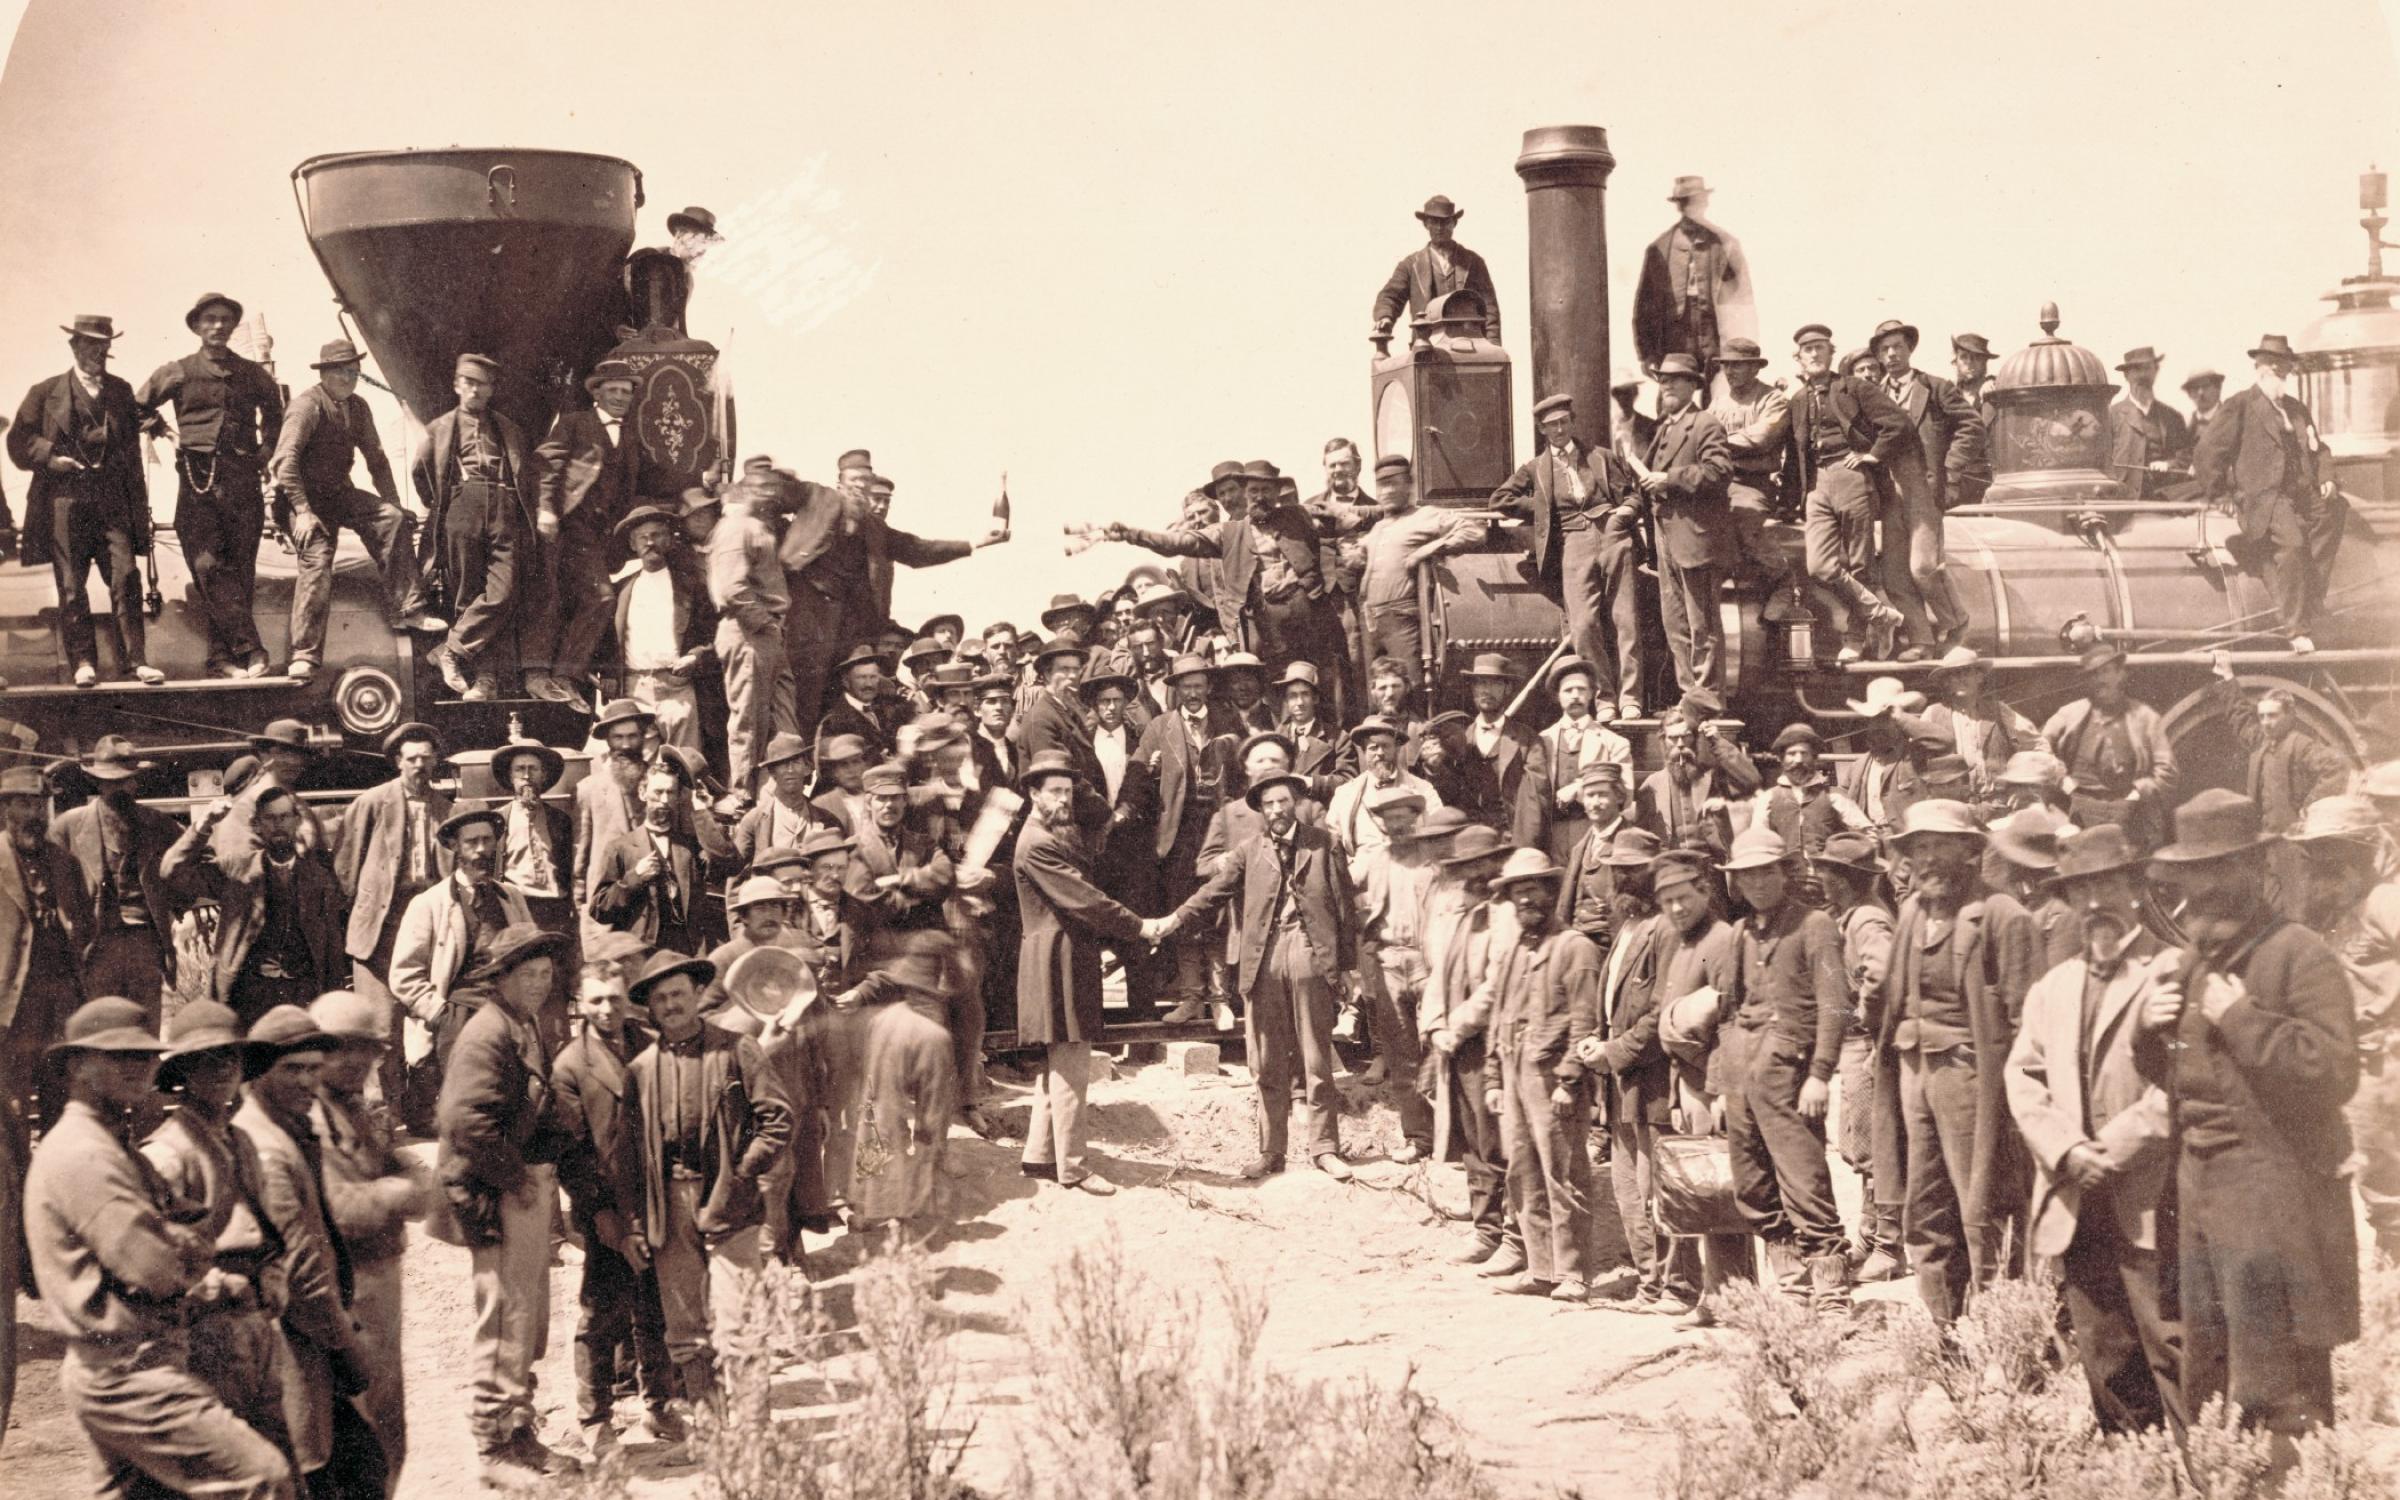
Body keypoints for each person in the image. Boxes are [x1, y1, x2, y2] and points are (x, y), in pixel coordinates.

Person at [2137, 791, 2358, 1471]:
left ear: (2252, 868)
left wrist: (2241, 1019)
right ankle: (2220, 1478)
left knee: (2277, 1366)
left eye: (2218, 869)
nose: (2202, 887)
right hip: (2200, 1184)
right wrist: (2149, 1032)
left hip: (2274, 1190)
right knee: (2209, 1355)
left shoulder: (2300, 954)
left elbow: (2335, 1069)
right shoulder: (2191, 961)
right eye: (2191, 873)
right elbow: (2175, 1079)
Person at [27, 998, 296, 1500]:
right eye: (119, 1056)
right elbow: (157, 1268)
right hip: (128, 1371)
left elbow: (185, 1228)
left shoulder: (113, 1144)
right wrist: (190, 1253)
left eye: (144, 1055)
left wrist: (181, 1241)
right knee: (264, 1476)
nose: (138, 1067)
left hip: (134, 1362)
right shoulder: (87, 1153)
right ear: (76, 1066)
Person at [2003, 824, 2186, 1437]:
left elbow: (2186, 1081)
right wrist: (2067, 1149)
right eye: (2079, 890)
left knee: (2171, 1343)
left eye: (2105, 884)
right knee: (2105, 1351)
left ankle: (2198, 1470)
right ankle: (2130, 1468)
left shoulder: (2170, 970)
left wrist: (2116, 1147)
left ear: (2135, 887)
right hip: (2076, 1193)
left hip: (2152, 1193)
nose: (2092, 903)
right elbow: (2024, 1078)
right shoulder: (2053, 988)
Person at [1872, 799, 2039, 1323]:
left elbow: (2026, 1017)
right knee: (1924, 1208)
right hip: (1912, 1073)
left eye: (1939, 845)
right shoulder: (1911, 913)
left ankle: (2003, 1334)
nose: (1926, 858)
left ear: (1970, 850)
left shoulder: (2002, 915)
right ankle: (1944, 1330)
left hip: (1973, 1079)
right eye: (1918, 846)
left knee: (1983, 1207)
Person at [432, 924, 582, 1483]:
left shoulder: (521, 1023)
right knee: (502, 1324)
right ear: (503, 978)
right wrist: (516, 1178)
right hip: (490, 1195)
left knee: (525, 1321)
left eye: (547, 974)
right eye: (530, 974)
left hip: (513, 1190)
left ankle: (520, 1434)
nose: (542, 984)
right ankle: (494, 1451)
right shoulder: (487, 1032)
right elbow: (464, 1122)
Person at [623, 949, 793, 1411]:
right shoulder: (640, 1070)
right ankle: (711, 1427)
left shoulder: (737, 1048)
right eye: (660, 999)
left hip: (729, 1198)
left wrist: (743, 1171)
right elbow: (631, 1155)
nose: (671, 1005)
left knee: (741, 1320)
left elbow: (777, 1118)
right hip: (669, 1202)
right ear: (651, 1009)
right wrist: (638, 1219)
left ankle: (756, 1430)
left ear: (698, 994)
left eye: (679, 993)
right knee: (685, 1327)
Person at [1167, 771, 1359, 1179]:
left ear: (1296, 804)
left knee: (1316, 1058)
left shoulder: (1323, 844)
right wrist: (1175, 919)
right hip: (1263, 958)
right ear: (1261, 810)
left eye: (1283, 802)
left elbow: (1344, 908)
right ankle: (1271, 1152)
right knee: (1266, 1060)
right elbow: (1212, 892)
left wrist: (1347, 967)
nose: (1276, 811)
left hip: (1310, 953)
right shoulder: (1249, 850)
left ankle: (1325, 1148)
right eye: (1269, 804)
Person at [140, 1002, 296, 1465]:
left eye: (232, 1058)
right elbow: (157, 1257)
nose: (224, 1070)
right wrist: (214, 1285)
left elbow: (267, 1223)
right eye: (209, 1059)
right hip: (205, 1326)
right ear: (183, 1071)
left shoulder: (241, 1141)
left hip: (257, 1318)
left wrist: (273, 1273)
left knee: (278, 1455)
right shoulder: (168, 1152)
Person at [235, 1005, 372, 1495]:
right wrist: (349, 1345)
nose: (307, 1082)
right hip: (294, 1350)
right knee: (315, 1473)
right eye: (292, 1069)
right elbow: (304, 1275)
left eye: (314, 1069)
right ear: (258, 1074)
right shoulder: (269, 1149)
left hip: (311, 1345)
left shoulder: (288, 1129)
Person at [1717, 827, 1853, 1312]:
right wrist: (1724, 1082)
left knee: (1805, 1180)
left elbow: (1835, 1005)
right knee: (1752, 1184)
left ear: (1784, 873)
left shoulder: (1814, 926)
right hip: (1743, 1074)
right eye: (1745, 875)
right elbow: (1730, 1009)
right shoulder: (1739, 933)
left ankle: (1832, 1290)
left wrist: (1820, 1073)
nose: (1755, 883)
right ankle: (1792, 1284)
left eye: (1764, 872)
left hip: (1791, 1075)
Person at [308, 989, 430, 1493]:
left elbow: (418, 1185)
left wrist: (403, 1188)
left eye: (369, 1048)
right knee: (361, 1429)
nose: (360, 1060)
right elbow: (346, 1210)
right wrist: (401, 1190)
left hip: (380, 1281)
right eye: (344, 1047)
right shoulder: (312, 1117)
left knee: (387, 1425)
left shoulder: (355, 1107)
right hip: (349, 1288)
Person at [1012, 752, 1151, 1192]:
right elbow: (1086, 900)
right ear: (1034, 794)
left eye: (1069, 792)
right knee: (1072, 1061)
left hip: (1062, 955)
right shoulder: (1038, 843)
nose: (1064, 800)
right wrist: (1139, 926)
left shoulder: (1047, 835)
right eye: (1054, 791)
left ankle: (1038, 1155)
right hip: (1058, 959)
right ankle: (1073, 1166)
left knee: (1059, 1061)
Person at [271, 338, 442, 685]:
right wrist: (302, 512)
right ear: (325, 373)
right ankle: (304, 654)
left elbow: (376, 460)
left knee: (391, 520)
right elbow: (283, 463)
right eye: (341, 371)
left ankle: (408, 610)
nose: (349, 377)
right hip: (300, 498)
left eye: (354, 370)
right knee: (317, 559)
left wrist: (393, 502)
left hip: (337, 493)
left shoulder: (358, 408)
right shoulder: (307, 407)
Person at [1472, 848, 1601, 1302]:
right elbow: (1499, 1018)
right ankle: (1541, 1267)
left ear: (1549, 892)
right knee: (1522, 1175)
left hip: (1552, 1081)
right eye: (1517, 894)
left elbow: (1584, 1022)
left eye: (1532, 891)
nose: (1525, 900)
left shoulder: (1575, 948)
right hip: (1513, 1076)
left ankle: (1573, 1273)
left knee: (1563, 1174)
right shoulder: (1513, 953)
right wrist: (1492, 1078)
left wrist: (1570, 1080)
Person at [9, 313, 164, 685]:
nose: (98, 350)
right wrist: (49, 457)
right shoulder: (44, 393)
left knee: (126, 575)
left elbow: (130, 448)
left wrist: (138, 508)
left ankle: (136, 662)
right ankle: (83, 663)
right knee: (71, 582)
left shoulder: (121, 391)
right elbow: (18, 441)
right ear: (74, 345)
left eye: (104, 344)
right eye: (90, 343)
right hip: (65, 501)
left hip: (113, 501)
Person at [138, 292, 284, 679]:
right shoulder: (179, 370)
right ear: (197, 326)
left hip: (243, 485)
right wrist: (165, 431)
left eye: (225, 320)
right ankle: (251, 649)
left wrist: (266, 450)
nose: (218, 326)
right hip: (196, 483)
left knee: (240, 572)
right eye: (210, 319)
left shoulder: (253, 374)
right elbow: (136, 406)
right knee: (207, 565)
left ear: (233, 326)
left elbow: (275, 414)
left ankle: (220, 660)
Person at [1101, 463, 1339, 685]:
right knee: (1278, 682)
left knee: (1327, 679)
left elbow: (1349, 517)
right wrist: (1134, 535)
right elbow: (1178, 542)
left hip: (1312, 617)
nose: (1259, 497)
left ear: (1277, 492)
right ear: (1245, 494)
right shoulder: (1229, 533)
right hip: (1270, 626)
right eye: (1253, 491)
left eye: (1266, 490)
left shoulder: (1299, 516)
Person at [1645, 849, 1755, 1328]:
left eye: (1682, 898)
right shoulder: (1681, 942)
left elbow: (1730, 1023)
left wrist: (1724, 1090)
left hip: (1714, 1083)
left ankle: (1736, 1298)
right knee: (1706, 1196)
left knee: (1724, 1193)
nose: (1674, 908)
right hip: (1687, 1083)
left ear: (1705, 892)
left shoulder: (1723, 940)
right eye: (1666, 901)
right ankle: (1717, 1296)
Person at [2290, 795, 2400, 1265]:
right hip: (2355, 1056)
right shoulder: (2335, 908)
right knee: (2372, 1167)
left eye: (2332, 855)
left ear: (2360, 855)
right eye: (2315, 856)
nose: (2320, 868)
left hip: (2384, 1058)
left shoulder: (2384, 900)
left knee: (2385, 1167)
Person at [1489, 395, 1649, 716]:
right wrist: (1542, 508)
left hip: (1614, 535)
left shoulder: (1600, 456)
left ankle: (1631, 698)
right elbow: (1500, 499)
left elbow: (1632, 495)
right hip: (1573, 542)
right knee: (1584, 624)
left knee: (1625, 620)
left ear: (1572, 422)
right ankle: (1604, 699)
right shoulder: (1536, 469)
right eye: (1552, 425)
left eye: (1564, 422)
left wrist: (1624, 514)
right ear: (1542, 430)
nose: (1560, 429)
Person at [2191, 334, 2349, 653]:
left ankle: (2310, 596)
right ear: (2259, 369)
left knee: (2337, 508)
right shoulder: (2240, 405)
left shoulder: (2296, 408)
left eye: (2284, 369)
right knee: (2292, 545)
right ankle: (2296, 627)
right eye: (2273, 369)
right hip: (2264, 497)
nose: (2280, 375)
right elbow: (2207, 451)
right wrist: (2219, 492)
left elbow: (2321, 449)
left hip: (2301, 495)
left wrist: (2327, 476)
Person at [162, 785, 345, 1026]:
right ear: (257, 825)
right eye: (269, 818)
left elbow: (331, 947)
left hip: (303, 994)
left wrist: (332, 1005)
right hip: (249, 996)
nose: (278, 824)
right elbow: (171, 872)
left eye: (284, 817)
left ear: (296, 821)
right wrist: (203, 826)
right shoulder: (237, 870)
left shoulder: (318, 877)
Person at [412, 353, 535, 701]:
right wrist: (446, 505)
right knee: (466, 594)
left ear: (492, 390)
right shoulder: (439, 428)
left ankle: (449, 650)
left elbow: (527, 477)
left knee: (503, 591)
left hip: (504, 506)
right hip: (462, 505)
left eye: (484, 385)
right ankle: (485, 679)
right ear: (456, 385)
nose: (476, 390)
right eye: (469, 383)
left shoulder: (509, 430)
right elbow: (421, 473)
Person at [520, 360, 644, 702]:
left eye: (626, 392)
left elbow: (645, 478)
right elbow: (547, 464)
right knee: (596, 597)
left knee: (589, 599)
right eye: (613, 390)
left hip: (603, 536)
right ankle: (560, 675)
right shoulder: (576, 424)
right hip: (569, 526)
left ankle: (563, 675)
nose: (620, 397)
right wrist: (546, 508)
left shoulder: (629, 434)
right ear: (597, 393)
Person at [1786, 324, 1909, 662]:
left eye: (1820, 348)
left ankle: (1856, 639)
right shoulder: (1797, 400)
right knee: (1820, 566)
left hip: (1851, 475)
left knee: (1860, 565)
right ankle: (1880, 615)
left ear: (1830, 352)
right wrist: (1788, 500)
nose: (1813, 354)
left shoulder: (1853, 387)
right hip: (1817, 484)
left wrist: (1872, 454)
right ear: (1798, 358)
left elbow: (1898, 423)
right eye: (1807, 349)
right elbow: (1793, 455)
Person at [1815, 831, 1903, 1282]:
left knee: (1877, 1146)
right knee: (1862, 1143)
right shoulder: (1852, 916)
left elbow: (1882, 973)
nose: (1820, 879)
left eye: (1827, 872)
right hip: (1859, 1041)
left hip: (1868, 1043)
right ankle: (1871, 1235)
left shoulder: (1867, 920)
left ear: (1845, 879)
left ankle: (1890, 1243)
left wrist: (1868, 1019)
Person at [1135, 652, 1237, 1025]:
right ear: (1176, 691)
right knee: (1183, 914)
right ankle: (1192, 997)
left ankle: (1220, 998)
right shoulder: (1160, 727)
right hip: (1178, 837)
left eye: (1198, 686)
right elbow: (1138, 778)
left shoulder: (1227, 724)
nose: (1193, 693)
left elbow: (1240, 779)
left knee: (1217, 915)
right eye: (1186, 687)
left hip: (1217, 831)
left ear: (1209, 687)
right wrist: (1150, 770)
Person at [51, 736, 178, 1025]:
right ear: (97, 782)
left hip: (145, 943)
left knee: (144, 1029)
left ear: (135, 781)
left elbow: (190, 863)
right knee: (97, 1030)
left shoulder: (158, 825)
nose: (121, 788)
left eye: (127, 781)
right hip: (93, 945)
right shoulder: (67, 827)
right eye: (112, 782)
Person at [1637, 353, 1739, 698]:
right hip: (1666, 538)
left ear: (1693, 386)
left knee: (1702, 625)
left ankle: (1708, 699)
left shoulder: (1705, 424)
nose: (1666, 385)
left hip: (1696, 539)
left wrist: (1668, 479)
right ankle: (1690, 698)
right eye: (1662, 379)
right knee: (1675, 623)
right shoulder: (1664, 426)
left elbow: (1719, 472)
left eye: (1675, 379)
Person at [1343, 454, 1482, 692]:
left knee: (1410, 687)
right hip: (1370, 622)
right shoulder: (1378, 527)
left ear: (1409, 484)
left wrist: (1429, 549)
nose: (1385, 491)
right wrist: (1354, 555)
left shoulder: (1426, 515)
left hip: (1401, 618)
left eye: (1392, 483)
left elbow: (1475, 530)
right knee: (1374, 691)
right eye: (1381, 485)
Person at [709, 470, 799, 796]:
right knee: (749, 721)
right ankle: (743, 796)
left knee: (783, 718)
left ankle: (778, 796)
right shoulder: (737, 527)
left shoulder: (759, 527)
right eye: (764, 488)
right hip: (749, 630)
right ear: (747, 491)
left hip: (767, 632)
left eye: (774, 488)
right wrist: (764, 622)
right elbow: (732, 587)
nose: (772, 495)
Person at [590, 757, 738, 955]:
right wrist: (634, 878)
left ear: (678, 797)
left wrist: (702, 811)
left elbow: (730, 863)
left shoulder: (691, 846)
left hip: (687, 950)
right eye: (658, 792)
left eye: (670, 793)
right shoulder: (621, 847)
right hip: (642, 952)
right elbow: (599, 910)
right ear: (643, 793)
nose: (664, 800)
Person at [2042, 643, 2179, 849]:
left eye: (2105, 671)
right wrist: (2061, 780)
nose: (2100, 680)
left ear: (2120, 674)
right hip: (2081, 812)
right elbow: (2037, 748)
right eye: (2093, 675)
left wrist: (2139, 793)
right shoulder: (2070, 715)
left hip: (2131, 813)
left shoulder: (2144, 717)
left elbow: (2168, 770)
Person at [1711, 337, 1804, 612]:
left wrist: (1715, 443)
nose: (1730, 372)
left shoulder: (1772, 399)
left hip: (1753, 483)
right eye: (1726, 366)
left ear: (1755, 368)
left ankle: (1784, 580)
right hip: (1719, 480)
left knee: (1744, 520)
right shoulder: (1718, 402)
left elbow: (1760, 438)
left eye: (1738, 366)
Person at [614, 503, 714, 754]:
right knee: (638, 761)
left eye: (657, 535)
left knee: (685, 762)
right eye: (642, 537)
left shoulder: (692, 586)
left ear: (669, 540)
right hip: (635, 687)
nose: (650, 543)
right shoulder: (622, 590)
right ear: (633, 545)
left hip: (676, 686)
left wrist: (695, 656)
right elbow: (608, 641)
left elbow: (716, 634)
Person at [494, 738, 577, 1041]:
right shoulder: (499, 821)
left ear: (544, 776)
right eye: (520, 770)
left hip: (553, 914)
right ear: (510, 777)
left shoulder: (560, 821)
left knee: (552, 997)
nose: (527, 777)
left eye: (533, 769)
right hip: (517, 913)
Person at [1631, 175, 1752, 379]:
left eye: (1699, 201)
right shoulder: (1660, 248)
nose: (1695, 207)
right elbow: (1644, 305)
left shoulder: (1726, 244)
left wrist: (1742, 349)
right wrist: (1646, 353)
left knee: (1718, 392)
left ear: (1705, 203)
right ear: (1679, 206)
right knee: (1674, 391)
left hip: (1714, 334)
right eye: (1687, 202)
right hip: (1674, 337)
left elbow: (1742, 301)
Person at [1529, 663, 1634, 863]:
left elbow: (1625, 794)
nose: (1575, 695)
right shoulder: (1542, 741)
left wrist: (1579, 790)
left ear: (1592, 694)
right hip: (1552, 835)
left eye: (1582, 689)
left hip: (1595, 833)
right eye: (1568, 690)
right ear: (1557, 696)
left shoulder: (1614, 743)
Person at [1920, 647, 2050, 801]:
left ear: (1979, 677)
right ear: (1946, 682)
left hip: (1995, 802)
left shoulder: (1999, 710)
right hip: (1952, 804)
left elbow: (2038, 745)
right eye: (1954, 674)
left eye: (1967, 672)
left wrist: (2023, 785)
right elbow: (1914, 759)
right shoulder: (1933, 713)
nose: (1961, 678)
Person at [1635, 694, 1759, 856]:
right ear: (1663, 741)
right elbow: (1641, 837)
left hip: (1711, 868)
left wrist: (1717, 742)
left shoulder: (1713, 776)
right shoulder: (1652, 785)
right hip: (1671, 869)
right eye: (1673, 738)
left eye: (1685, 737)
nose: (1680, 744)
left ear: (1694, 738)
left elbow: (1752, 780)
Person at [1371, 194, 1500, 348]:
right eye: (1434, 222)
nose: (1439, 228)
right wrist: (1385, 316)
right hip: (1426, 348)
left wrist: (1493, 346)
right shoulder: (1410, 265)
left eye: (1445, 222)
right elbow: (1390, 296)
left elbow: (1490, 307)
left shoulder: (1474, 262)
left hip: (1470, 347)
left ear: (1454, 223)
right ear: (1426, 224)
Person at [575, 700, 655, 940]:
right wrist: (581, 905)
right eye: (618, 737)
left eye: (633, 736)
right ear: (607, 741)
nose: (626, 745)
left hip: (653, 907)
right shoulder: (589, 789)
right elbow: (581, 853)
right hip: (608, 905)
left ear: (644, 736)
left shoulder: (662, 783)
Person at [623, 204, 723, 335]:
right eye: (697, 240)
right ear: (680, 236)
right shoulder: (647, 257)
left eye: (706, 244)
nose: (701, 251)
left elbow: (674, 324)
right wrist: (618, 327)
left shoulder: (688, 280)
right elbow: (614, 296)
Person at [2107, 346, 2192, 500]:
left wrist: (2168, 465)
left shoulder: (2172, 417)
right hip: (2124, 501)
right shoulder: (2112, 415)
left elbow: (2185, 458)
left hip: (2164, 501)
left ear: (2156, 370)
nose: (2142, 375)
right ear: (2126, 375)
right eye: (2136, 370)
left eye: (2147, 368)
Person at [2184, 367, 2226, 447]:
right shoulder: (2184, 424)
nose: (2200, 392)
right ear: (2189, 394)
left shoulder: (2232, 419)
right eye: (2195, 388)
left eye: (2206, 386)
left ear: (2218, 388)